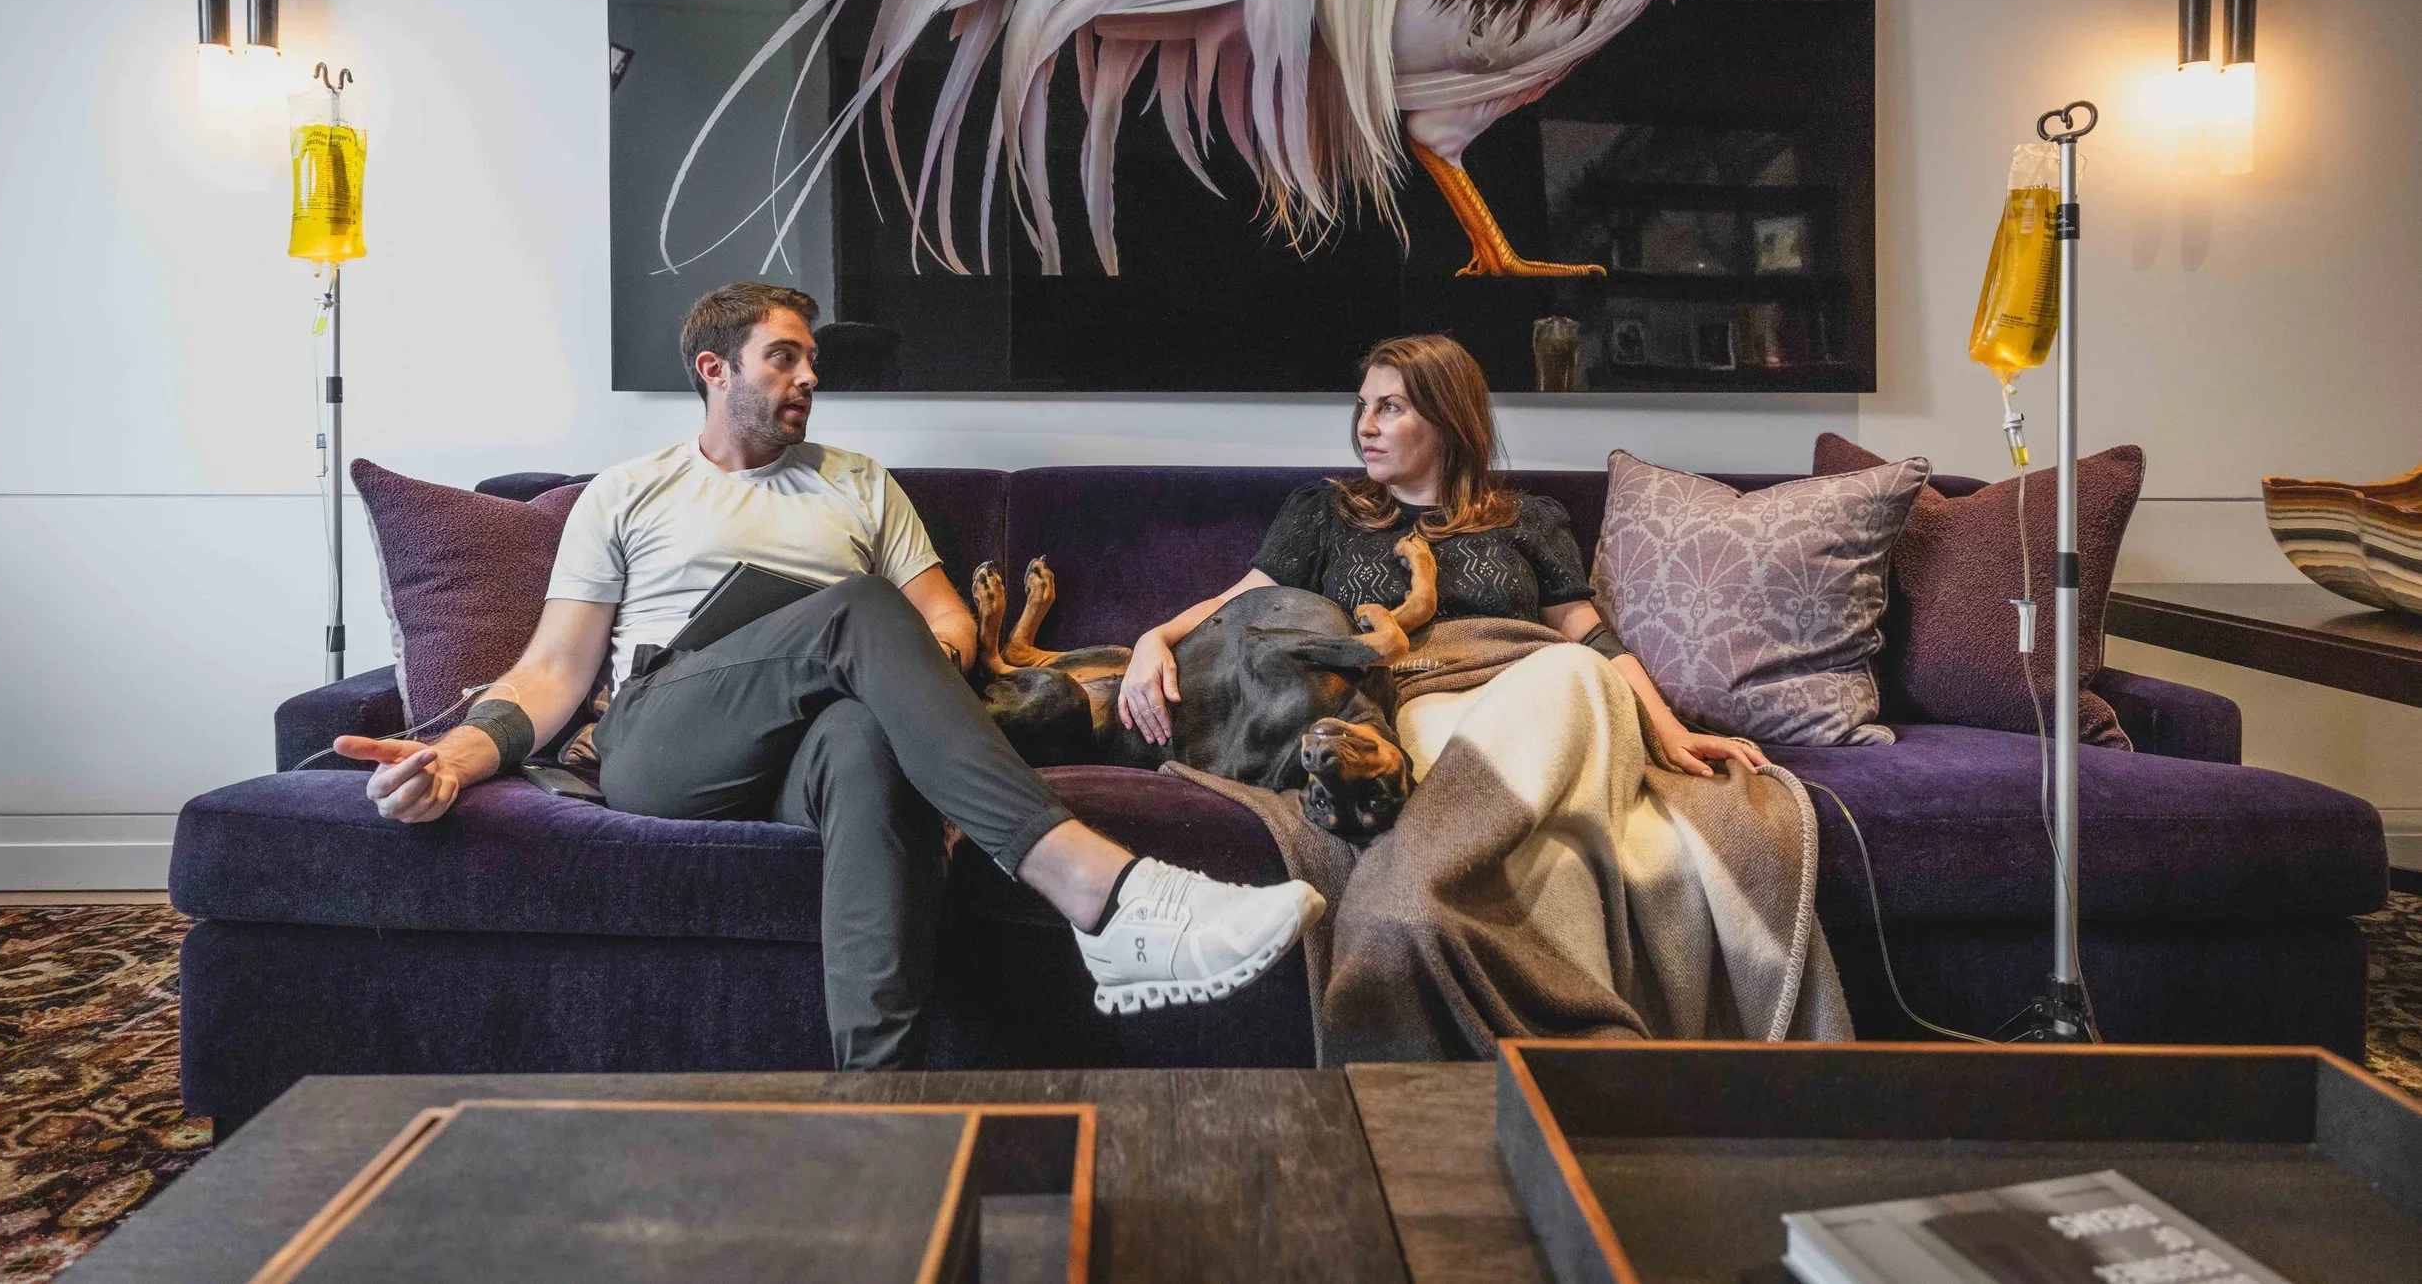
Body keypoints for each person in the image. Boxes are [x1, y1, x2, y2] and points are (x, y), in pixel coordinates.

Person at [333, 282, 1323, 1070]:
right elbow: (553, 667)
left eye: (813, 358)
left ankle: (874, 1109)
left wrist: (908, 676)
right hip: (670, 736)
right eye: (786, 355)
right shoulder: (629, 492)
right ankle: (1099, 890)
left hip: (818, 728)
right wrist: (455, 757)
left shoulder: (856, 481)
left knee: (866, 741)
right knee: (855, 607)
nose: (810, 374)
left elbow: (942, 616)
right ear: (715, 369)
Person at [1119, 332, 1769, 781]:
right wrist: (1157, 636)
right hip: (1403, 708)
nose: (1364, 425)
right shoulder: (1325, 510)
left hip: (1522, 702)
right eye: (1363, 407)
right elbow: (1244, 600)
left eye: (1390, 407)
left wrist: (1666, 727)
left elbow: (1589, 635)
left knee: (1573, 673)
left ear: (1447, 419)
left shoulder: (1529, 517)